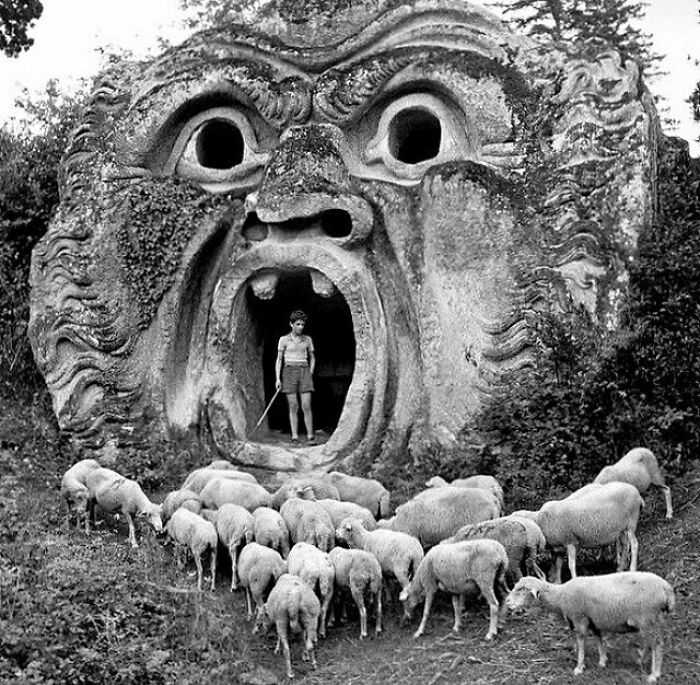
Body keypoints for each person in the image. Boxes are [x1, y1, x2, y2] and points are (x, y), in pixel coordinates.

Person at [275, 310, 316, 445]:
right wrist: (278, 378)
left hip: (304, 369)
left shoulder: (307, 339)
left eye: (303, 324)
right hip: (288, 370)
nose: (301, 327)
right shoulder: (284, 339)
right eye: (298, 324)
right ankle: (294, 436)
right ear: (291, 324)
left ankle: (310, 436)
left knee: (306, 405)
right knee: (293, 406)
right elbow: (279, 359)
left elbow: (313, 358)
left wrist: (310, 372)